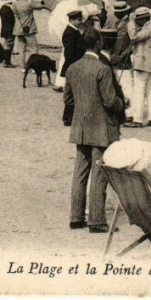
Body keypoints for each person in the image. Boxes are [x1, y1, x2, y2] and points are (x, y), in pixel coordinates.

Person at [64, 28, 124, 233]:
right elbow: (109, 101)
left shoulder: (72, 68)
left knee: (80, 173)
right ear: (98, 43)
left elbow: (68, 100)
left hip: (80, 128)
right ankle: (97, 220)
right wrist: (122, 104)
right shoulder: (102, 69)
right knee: (99, 174)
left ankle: (76, 217)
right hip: (101, 129)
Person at [125, 7, 151, 128]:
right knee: (150, 91)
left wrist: (130, 22)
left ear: (144, 19)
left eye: (138, 20)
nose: (137, 22)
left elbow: (133, 37)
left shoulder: (148, 29)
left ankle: (137, 120)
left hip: (142, 63)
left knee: (138, 91)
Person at [110, 1, 133, 118]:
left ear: (124, 12)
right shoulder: (116, 23)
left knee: (127, 87)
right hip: (114, 61)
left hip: (124, 62)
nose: (115, 14)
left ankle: (129, 113)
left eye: (118, 12)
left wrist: (122, 56)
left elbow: (132, 45)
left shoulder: (129, 25)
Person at [12, 0, 43, 71]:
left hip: (18, 29)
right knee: (33, 48)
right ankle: (34, 66)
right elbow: (41, 5)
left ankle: (23, 67)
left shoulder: (14, 4)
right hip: (29, 29)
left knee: (21, 49)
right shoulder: (29, 4)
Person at [0, 0, 17, 68]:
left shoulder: (3, 8)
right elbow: (11, 20)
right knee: (9, 45)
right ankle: (7, 62)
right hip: (9, 30)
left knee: (7, 44)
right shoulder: (8, 10)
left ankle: (6, 61)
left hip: (4, 29)